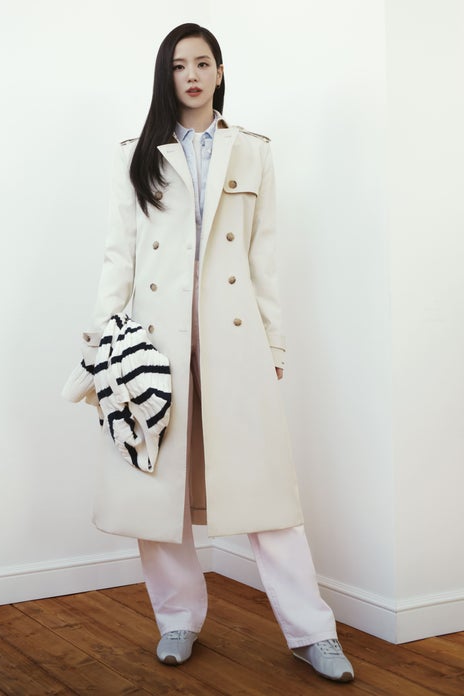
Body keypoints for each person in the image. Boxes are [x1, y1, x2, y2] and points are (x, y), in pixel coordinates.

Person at [64, 22, 354, 683]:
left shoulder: (252, 150)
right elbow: (118, 255)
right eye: (178, 65)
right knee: (156, 491)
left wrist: (273, 342)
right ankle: (177, 619)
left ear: (220, 72)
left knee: (266, 492)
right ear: (165, 76)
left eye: (202, 63)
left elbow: (263, 256)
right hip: (152, 343)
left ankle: (313, 632)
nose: (190, 75)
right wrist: (104, 341)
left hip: (235, 337)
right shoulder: (135, 154)